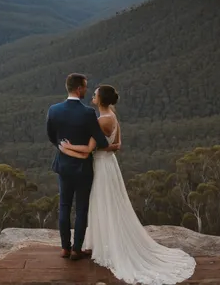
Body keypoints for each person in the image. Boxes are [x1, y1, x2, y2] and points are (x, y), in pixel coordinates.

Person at [58, 84, 196, 285]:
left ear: (101, 100)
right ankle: (99, 242)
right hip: (110, 165)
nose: (93, 96)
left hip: (101, 168)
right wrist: (107, 148)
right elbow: (117, 145)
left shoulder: (99, 120)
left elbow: (89, 149)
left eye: (95, 94)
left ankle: (105, 244)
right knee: (108, 203)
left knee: (101, 204)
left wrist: (68, 147)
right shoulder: (113, 117)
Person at [46, 73, 120, 260]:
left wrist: (65, 149)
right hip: (83, 168)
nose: (87, 91)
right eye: (85, 87)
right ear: (79, 89)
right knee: (81, 209)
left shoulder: (54, 110)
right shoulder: (88, 113)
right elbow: (102, 142)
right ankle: (76, 249)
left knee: (63, 206)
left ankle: (64, 247)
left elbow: (51, 136)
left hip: (63, 165)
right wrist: (113, 146)